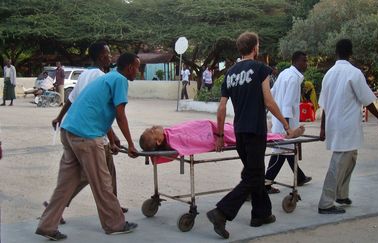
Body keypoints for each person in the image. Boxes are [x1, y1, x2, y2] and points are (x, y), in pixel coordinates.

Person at [35, 53, 140, 241]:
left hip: (69, 131)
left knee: (65, 185)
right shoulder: (120, 80)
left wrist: (113, 140)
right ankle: (114, 224)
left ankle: (47, 225)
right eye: (137, 67)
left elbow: (97, 110)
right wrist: (131, 144)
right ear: (130, 67)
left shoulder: (107, 77)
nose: (138, 72)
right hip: (86, 135)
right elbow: (120, 114)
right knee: (102, 182)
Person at [206, 32, 297, 239]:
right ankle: (221, 212)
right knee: (253, 175)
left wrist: (220, 134)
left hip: (239, 131)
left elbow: (221, 107)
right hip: (255, 130)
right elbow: (269, 101)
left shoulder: (230, 73)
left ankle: (261, 214)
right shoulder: (260, 69)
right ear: (255, 48)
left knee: (255, 173)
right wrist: (285, 124)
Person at [47, 42, 128, 224]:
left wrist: (60, 117)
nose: (111, 56)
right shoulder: (101, 76)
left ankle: (55, 207)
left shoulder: (85, 74)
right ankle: (113, 215)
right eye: (108, 53)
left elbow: (73, 99)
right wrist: (113, 138)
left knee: (89, 174)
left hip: (77, 128)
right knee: (101, 177)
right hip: (91, 132)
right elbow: (97, 108)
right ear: (101, 57)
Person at [317, 39, 378, 214]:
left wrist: (323, 128)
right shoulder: (354, 73)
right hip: (346, 127)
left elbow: (323, 104)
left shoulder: (329, 74)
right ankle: (325, 203)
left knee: (350, 160)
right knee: (338, 164)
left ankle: (341, 194)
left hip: (335, 125)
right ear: (350, 53)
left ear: (336, 52)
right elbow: (366, 100)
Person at [264, 51, 311, 194]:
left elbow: (272, 92)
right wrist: (289, 128)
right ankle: (266, 183)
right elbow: (288, 105)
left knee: (286, 151)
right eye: (304, 61)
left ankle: (300, 177)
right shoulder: (293, 78)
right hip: (285, 123)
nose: (306, 64)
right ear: (297, 61)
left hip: (281, 121)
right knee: (281, 152)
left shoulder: (285, 73)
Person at [139, 120, 303, 157]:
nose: (154, 127)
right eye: (153, 131)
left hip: (211, 127)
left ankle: (267, 132)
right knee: (244, 134)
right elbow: (191, 141)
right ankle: (281, 136)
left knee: (237, 127)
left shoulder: (168, 133)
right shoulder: (173, 139)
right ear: (159, 141)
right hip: (213, 134)